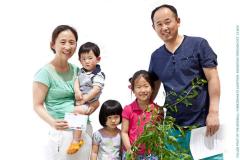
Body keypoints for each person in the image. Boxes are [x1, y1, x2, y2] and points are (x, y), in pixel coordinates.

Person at [148, 4, 223, 159]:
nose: (164, 27)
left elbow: (212, 78)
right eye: (159, 24)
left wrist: (214, 112)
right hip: (172, 129)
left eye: (167, 22)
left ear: (178, 21)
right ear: (153, 28)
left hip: (203, 125)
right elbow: (152, 90)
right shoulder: (156, 56)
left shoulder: (198, 45)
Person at [33, 25, 99, 160]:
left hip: (82, 130)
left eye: (72, 42)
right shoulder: (44, 73)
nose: (68, 47)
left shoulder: (77, 70)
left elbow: (91, 93)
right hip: (61, 133)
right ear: (53, 44)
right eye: (62, 42)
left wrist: (93, 105)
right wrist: (52, 122)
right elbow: (37, 105)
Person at [67, 42, 105, 154]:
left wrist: (84, 99)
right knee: (77, 116)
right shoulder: (81, 71)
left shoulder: (98, 74)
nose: (86, 61)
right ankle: (78, 138)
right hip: (81, 99)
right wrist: (77, 91)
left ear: (98, 59)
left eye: (90, 58)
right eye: (83, 59)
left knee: (79, 113)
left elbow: (96, 89)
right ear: (79, 60)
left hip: (89, 101)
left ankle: (76, 140)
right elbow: (76, 81)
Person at [121, 70, 162, 160]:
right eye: (138, 87)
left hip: (151, 154)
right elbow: (124, 132)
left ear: (152, 88)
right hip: (132, 153)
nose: (142, 90)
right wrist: (129, 149)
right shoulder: (128, 109)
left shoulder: (158, 110)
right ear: (133, 90)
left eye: (146, 86)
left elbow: (159, 132)